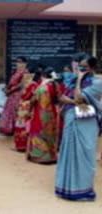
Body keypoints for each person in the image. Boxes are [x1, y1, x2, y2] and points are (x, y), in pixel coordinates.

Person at [55, 56, 102, 201]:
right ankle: (67, 189)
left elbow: (80, 97)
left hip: (86, 123)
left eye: (84, 67)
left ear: (92, 68)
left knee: (85, 155)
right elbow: (62, 97)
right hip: (72, 119)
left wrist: (80, 81)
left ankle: (84, 190)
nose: (81, 70)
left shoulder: (97, 83)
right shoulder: (73, 81)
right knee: (69, 153)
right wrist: (74, 99)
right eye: (79, 67)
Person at [27, 67, 59, 164]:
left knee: (38, 131)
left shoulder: (41, 87)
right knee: (50, 133)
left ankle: (41, 156)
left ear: (43, 76)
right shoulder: (55, 85)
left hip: (40, 113)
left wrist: (29, 111)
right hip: (52, 113)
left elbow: (33, 101)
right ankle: (52, 155)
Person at [14, 67, 42, 152]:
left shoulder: (32, 84)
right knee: (22, 126)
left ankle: (23, 146)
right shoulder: (31, 84)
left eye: (27, 73)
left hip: (26, 106)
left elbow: (33, 97)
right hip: (24, 106)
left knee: (24, 126)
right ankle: (22, 145)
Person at [0, 57, 28, 135]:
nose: (19, 64)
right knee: (9, 111)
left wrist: (10, 90)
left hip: (18, 94)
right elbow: (11, 83)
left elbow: (22, 84)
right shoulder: (15, 72)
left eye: (21, 62)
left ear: (25, 63)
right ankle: (9, 129)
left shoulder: (26, 72)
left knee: (16, 112)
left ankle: (16, 130)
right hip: (11, 95)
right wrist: (7, 89)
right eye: (18, 62)